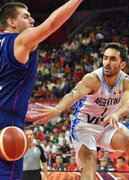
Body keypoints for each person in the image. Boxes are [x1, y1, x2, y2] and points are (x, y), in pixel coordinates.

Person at [31, 42, 129, 180]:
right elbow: (74, 94)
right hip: (84, 125)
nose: (107, 62)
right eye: (105, 58)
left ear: (122, 64)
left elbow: (128, 105)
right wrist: (58, 108)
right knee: (90, 160)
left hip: (107, 124)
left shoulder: (128, 82)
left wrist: (116, 114)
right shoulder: (93, 78)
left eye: (112, 59)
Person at [0, 1, 83, 179]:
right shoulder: (19, 40)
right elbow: (51, 25)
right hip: (6, 121)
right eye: (26, 16)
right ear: (11, 22)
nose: (32, 20)